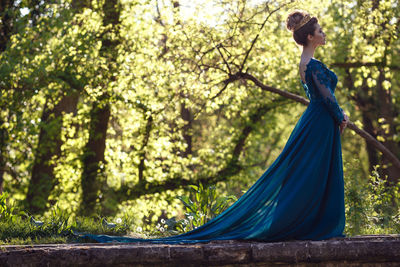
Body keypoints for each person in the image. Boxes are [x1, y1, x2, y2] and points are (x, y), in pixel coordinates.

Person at [81, 10, 349, 244]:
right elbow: (326, 96)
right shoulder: (311, 65)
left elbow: (323, 96)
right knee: (311, 172)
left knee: (311, 172)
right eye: (320, 30)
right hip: (320, 122)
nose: (324, 33)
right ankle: (307, 223)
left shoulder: (305, 63)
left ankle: (310, 221)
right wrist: (341, 116)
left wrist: (335, 115)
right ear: (311, 37)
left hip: (317, 122)